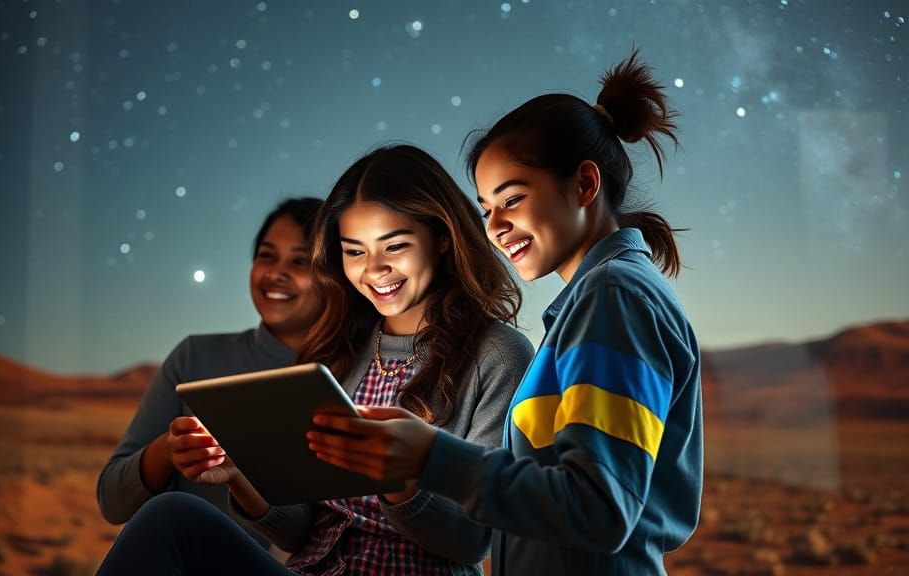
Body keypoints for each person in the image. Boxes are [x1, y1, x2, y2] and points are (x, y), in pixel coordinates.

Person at [308, 50, 703, 575]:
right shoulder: (602, 298)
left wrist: (429, 457)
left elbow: (601, 508)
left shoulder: (615, 298)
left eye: (512, 200)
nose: (495, 227)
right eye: (486, 208)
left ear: (585, 185)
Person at [97, 144, 534, 575]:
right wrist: (240, 477)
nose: (374, 269)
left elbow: (472, 542)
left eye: (395, 246)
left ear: (441, 238)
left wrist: (399, 481)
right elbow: (304, 533)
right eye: (355, 251)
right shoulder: (339, 352)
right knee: (173, 516)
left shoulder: (497, 354)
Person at [97, 197, 325, 525]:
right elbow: (112, 502)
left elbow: (317, 533)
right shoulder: (194, 357)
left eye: (300, 262)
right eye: (266, 256)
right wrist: (169, 449)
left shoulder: (356, 375)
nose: (276, 273)